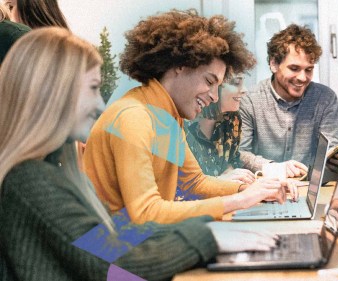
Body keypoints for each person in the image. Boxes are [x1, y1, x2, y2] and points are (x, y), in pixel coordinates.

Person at [0, 27, 278, 281]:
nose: (100, 106)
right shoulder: (32, 181)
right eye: (94, 88)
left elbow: (193, 184)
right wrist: (211, 232)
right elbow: (124, 253)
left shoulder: (166, 119)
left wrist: (243, 193)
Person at [83, 10, 296, 225]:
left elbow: (194, 182)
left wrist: (254, 189)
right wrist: (240, 200)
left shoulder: (165, 115)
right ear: (180, 67)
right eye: (209, 81)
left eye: (218, 86)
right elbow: (145, 213)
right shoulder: (134, 117)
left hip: (135, 243)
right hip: (109, 252)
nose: (214, 97)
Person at [239, 24, 338, 177]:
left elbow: (330, 153)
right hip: (263, 187)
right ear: (274, 64)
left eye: (309, 69)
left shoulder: (325, 99)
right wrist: (273, 168)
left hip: (309, 188)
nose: (302, 77)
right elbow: (240, 153)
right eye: (294, 68)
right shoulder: (250, 100)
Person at [185, 74, 255, 185]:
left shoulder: (232, 119)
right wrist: (220, 181)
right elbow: (177, 183)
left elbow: (231, 161)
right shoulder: (182, 124)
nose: (244, 90)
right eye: (237, 83)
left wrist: (235, 175)